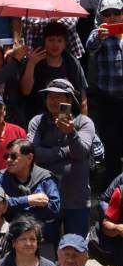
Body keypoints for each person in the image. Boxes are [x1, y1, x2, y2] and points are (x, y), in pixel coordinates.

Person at [27, 79, 94, 237]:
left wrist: (71, 133)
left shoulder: (83, 122)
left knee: (75, 248)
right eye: (50, 96)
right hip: (46, 199)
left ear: (69, 100)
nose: (53, 100)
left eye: (58, 97)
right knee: (47, 250)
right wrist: (65, 151)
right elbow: (33, 153)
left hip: (76, 199)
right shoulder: (37, 122)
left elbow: (80, 152)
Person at [0, 140, 60, 252]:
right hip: (10, 237)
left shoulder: (45, 178)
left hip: (41, 238)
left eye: (13, 156)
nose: (8, 160)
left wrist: (13, 204)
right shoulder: (0, 177)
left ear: (29, 158)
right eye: (6, 156)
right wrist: (29, 200)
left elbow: (54, 208)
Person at [15, 0, 84, 61]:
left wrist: (42, 18)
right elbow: (28, 22)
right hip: (37, 52)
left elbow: (70, 23)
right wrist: (53, 19)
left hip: (67, 53)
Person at [85, 0, 123, 176]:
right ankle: (111, 186)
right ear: (102, 17)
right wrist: (100, 36)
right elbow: (90, 48)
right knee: (111, 142)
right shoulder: (98, 33)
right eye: (107, 14)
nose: (112, 17)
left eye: (116, 13)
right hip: (108, 99)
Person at [20, 23, 88, 120]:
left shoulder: (72, 63)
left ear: (65, 44)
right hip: (40, 120)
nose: (55, 45)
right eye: (51, 40)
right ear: (44, 41)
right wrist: (31, 64)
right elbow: (25, 91)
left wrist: (83, 124)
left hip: (67, 119)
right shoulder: (35, 62)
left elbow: (83, 100)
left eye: (59, 41)